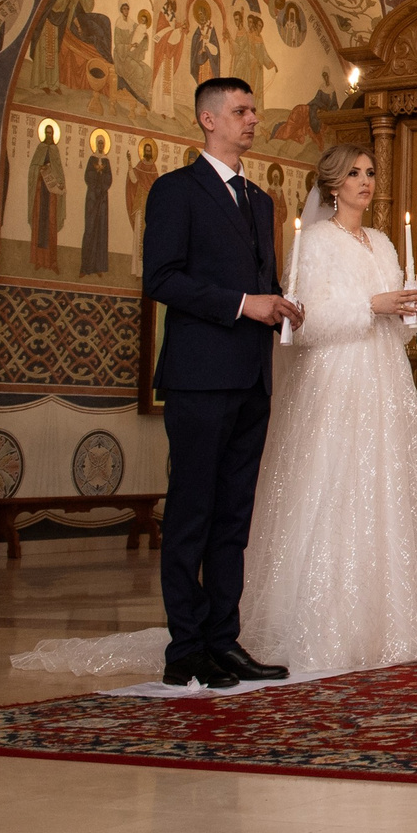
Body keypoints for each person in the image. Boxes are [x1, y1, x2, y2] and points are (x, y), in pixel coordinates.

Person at [240, 144, 417, 672]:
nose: (364, 181)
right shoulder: (314, 243)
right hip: (335, 383)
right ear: (333, 184)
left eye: (369, 173)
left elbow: (398, 323)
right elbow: (306, 322)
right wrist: (372, 305)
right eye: (354, 174)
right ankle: (316, 620)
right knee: (332, 484)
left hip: (383, 380)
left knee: (382, 488)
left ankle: (386, 621)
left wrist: (406, 308)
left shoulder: (386, 243)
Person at [141, 77, 306, 688]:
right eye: (240, 111)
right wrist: (243, 304)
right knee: (192, 512)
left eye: (254, 110)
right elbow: (161, 278)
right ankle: (185, 647)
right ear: (208, 120)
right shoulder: (175, 191)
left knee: (234, 518)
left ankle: (224, 641)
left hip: (250, 378)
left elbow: (260, 280)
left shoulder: (260, 202)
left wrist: (281, 305)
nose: (253, 120)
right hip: (198, 376)